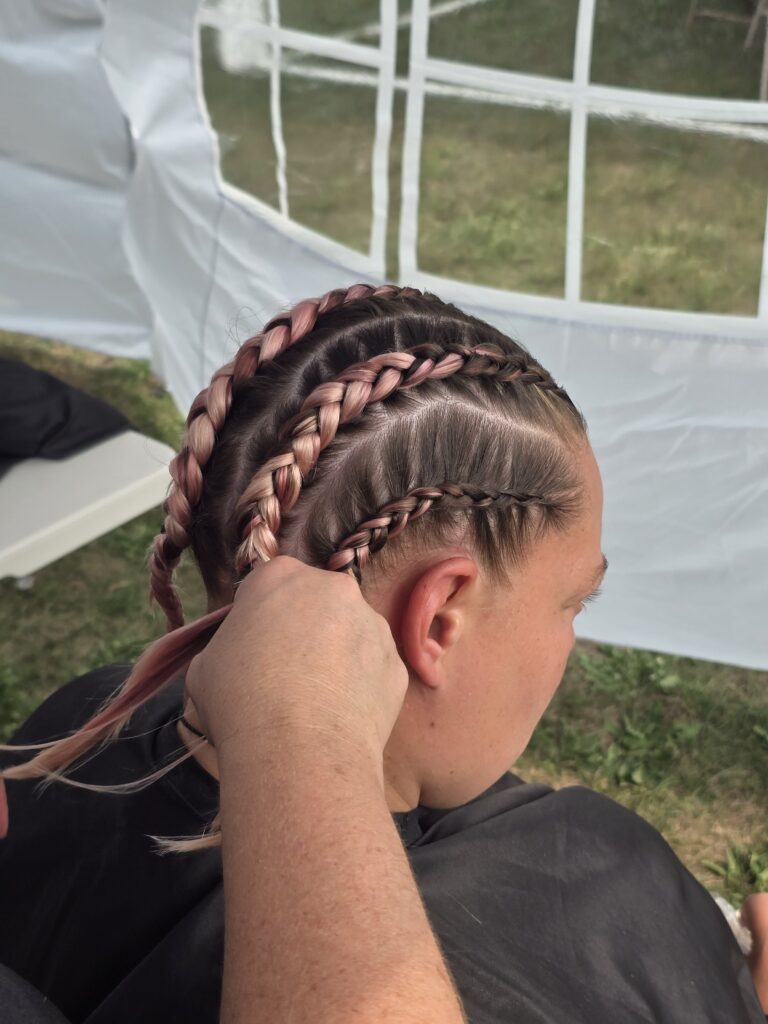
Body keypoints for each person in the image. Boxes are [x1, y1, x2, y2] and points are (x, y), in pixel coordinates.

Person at [0, 284, 765, 1023]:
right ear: (439, 619)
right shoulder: (593, 896)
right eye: (573, 602)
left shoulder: (78, 720)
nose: (572, 639)